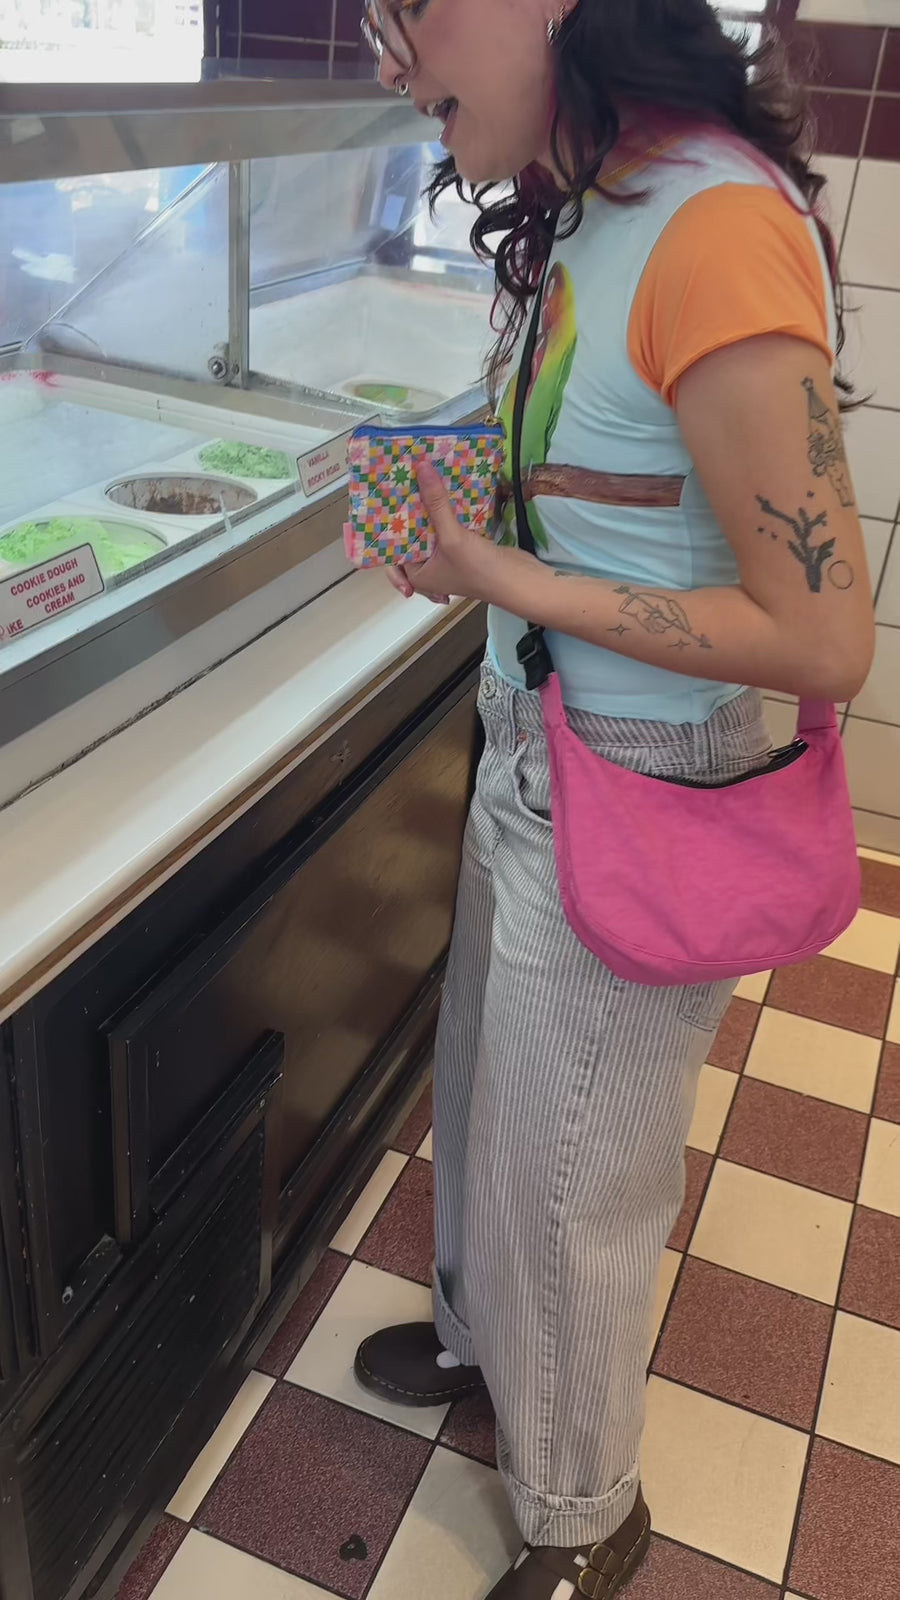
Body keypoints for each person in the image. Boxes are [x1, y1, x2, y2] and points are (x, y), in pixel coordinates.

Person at [354, 3, 875, 1596]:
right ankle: (481, 1339)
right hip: (536, 732)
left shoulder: (715, 226)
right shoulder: (585, 201)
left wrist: (502, 574)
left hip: (644, 775)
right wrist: (469, 507)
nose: (389, 57)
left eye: (412, 8)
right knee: (489, 1094)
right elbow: (608, 478)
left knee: (578, 1172)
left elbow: (821, 636)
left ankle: (586, 1510)